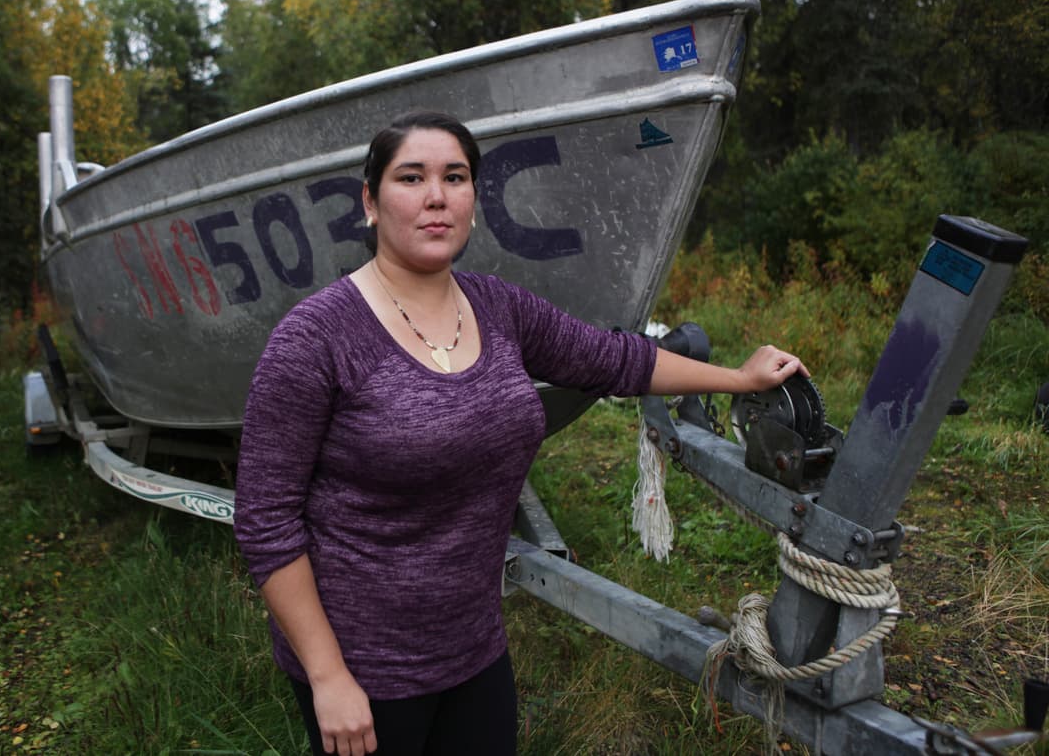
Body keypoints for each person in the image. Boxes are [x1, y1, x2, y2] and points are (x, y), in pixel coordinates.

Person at [233, 111, 807, 756]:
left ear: (473, 200)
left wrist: (738, 378)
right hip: (364, 669)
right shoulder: (315, 338)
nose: (435, 196)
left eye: (455, 177)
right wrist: (327, 677)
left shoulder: (499, 308)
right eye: (411, 178)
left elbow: (613, 359)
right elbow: (265, 521)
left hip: (475, 648)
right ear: (370, 201)